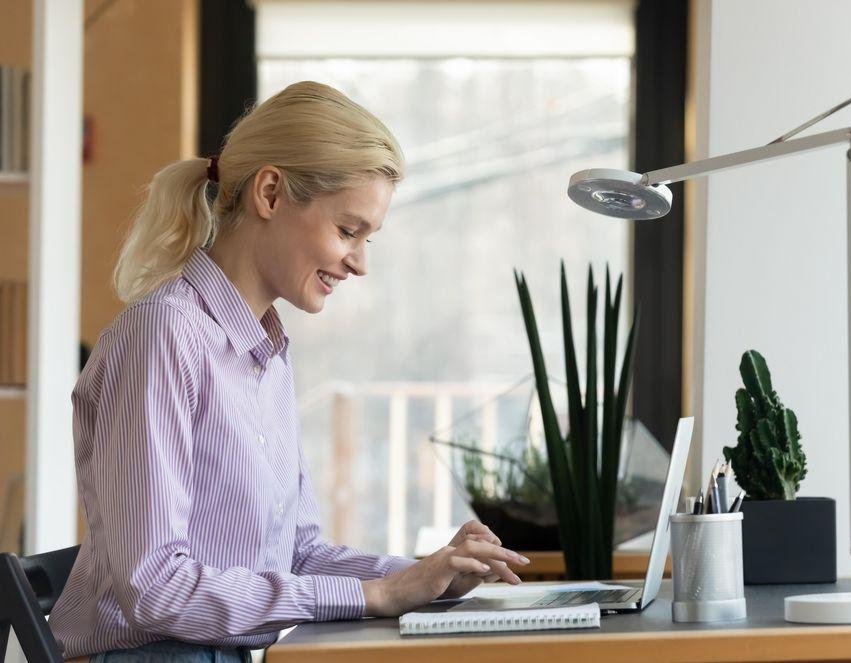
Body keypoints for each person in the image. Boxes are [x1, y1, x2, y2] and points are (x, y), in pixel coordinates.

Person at [48, 81, 529, 662]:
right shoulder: (165, 335)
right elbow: (154, 588)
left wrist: (423, 576)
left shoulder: (266, 352)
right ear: (271, 193)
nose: (360, 262)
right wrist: (375, 594)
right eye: (349, 231)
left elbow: (295, 555)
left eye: (368, 238)